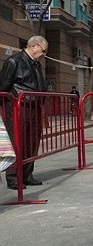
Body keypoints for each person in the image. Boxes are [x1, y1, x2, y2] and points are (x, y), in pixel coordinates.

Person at [0, 35, 48, 190]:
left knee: (32, 142)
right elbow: (3, 86)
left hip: (34, 107)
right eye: (43, 50)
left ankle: (27, 174)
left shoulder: (36, 64)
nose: (44, 54)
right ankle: (13, 177)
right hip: (18, 108)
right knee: (17, 142)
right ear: (34, 46)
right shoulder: (13, 62)